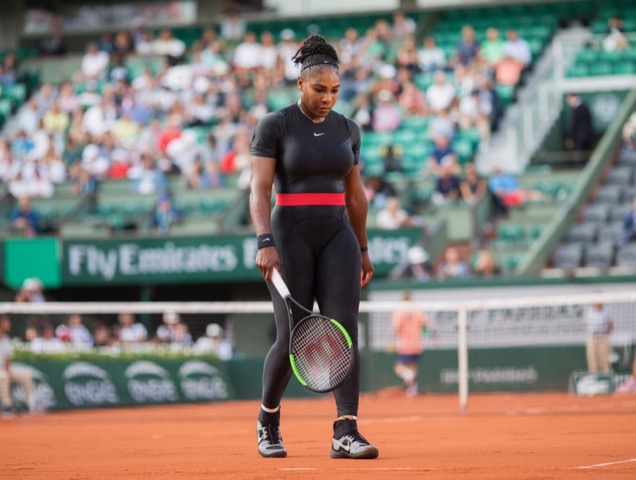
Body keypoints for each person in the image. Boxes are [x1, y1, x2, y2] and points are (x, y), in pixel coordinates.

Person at [249, 34, 378, 460]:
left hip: (338, 236)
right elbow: (259, 188)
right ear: (301, 84)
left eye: (335, 91)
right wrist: (265, 241)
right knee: (291, 336)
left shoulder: (349, 129)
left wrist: (361, 247)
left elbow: (355, 196)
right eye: (320, 89)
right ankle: (268, 420)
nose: (328, 98)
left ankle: (346, 429)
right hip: (289, 236)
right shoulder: (275, 125)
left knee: (344, 329)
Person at [388, 290, 435, 397]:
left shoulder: (399, 311)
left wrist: (390, 342)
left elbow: (395, 328)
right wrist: (435, 340)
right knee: (412, 367)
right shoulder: (417, 309)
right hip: (417, 345)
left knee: (399, 368)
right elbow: (429, 325)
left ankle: (408, 377)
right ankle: (412, 389)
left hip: (405, 345)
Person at [0, 314, 36, 415]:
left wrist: (9, 371)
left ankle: (28, 405)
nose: (8, 324)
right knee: (3, 377)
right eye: (6, 322)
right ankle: (7, 406)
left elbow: (8, 358)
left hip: (5, 368)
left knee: (26, 375)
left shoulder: (6, 338)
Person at [565, 93, 594, 166]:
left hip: (578, 138)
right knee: (586, 156)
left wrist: (571, 137)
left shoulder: (575, 110)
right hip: (587, 136)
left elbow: (573, 125)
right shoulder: (586, 106)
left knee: (580, 158)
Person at [585, 302, 614, 374]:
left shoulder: (607, 311)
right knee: (592, 359)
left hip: (603, 337)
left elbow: (611, 325)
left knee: (605, 359)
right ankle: (593, 376)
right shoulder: (589, 311)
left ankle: (607, 376)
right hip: (592, 337)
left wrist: (606, 334)